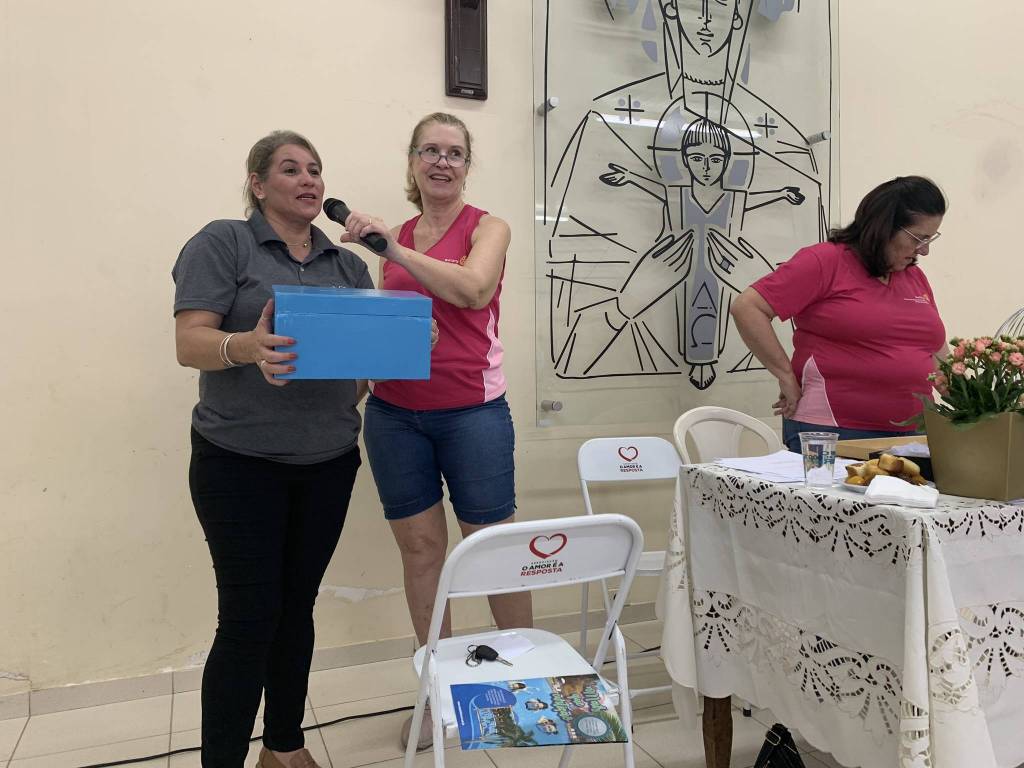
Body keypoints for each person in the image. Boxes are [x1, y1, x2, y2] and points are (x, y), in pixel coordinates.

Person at [172, 130, 373, 768]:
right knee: (248, 619)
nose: (308, 180)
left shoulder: (349, 267)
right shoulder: (223, 242)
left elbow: (358, 370)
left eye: (315, 169)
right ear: (258, 184)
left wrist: (395, 346)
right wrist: (247, 347)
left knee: (296, 610)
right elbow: (189, 343)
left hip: (329, 462)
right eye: (291, 169)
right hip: (238, 464)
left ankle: (284, 747)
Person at [340, 112, 532, 750]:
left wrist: (389, 250)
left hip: (473, 412)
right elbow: (388, 334)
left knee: (492, 550)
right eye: (430, 150)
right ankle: (438, 695)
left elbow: (473, 291)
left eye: (454, 152)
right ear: (413, 162)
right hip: (394, 416)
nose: (441, 162)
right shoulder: (395, 238)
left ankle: (518, 690)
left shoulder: (487, 228)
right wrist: (349, 393)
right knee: (421, 553)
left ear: (467, 166)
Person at [730, 175, 947, 452]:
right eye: (919, 238)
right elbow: (748, 308)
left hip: (913, 432)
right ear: (883, 227)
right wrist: (785, 375)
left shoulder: (914, 277)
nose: (924, 251)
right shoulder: (825, 261)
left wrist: (975, 404)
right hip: (833, 430)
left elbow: (933, 349)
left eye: (931, 239)